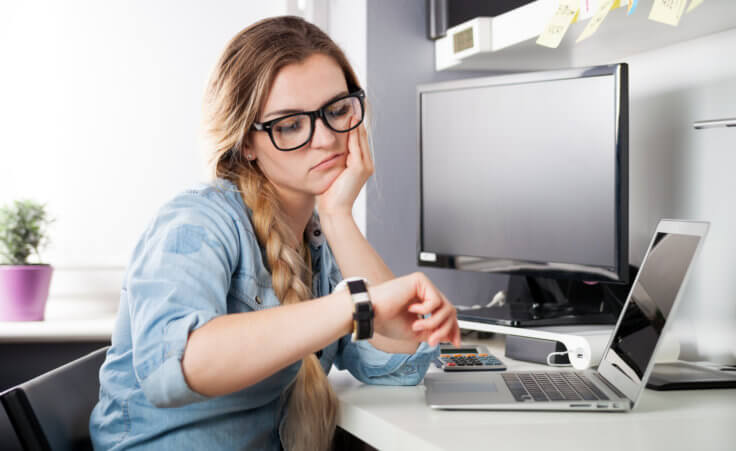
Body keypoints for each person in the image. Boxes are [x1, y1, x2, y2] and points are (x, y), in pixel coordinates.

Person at [89, 15, 460, 451]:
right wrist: (352, 306)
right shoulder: (196, 221)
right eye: (289, 125)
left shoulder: (319, 238)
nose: (324, 139)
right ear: (246, 142)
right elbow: (177, 367)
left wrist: (339, 215)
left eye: (338, 111)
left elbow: (399, 364)